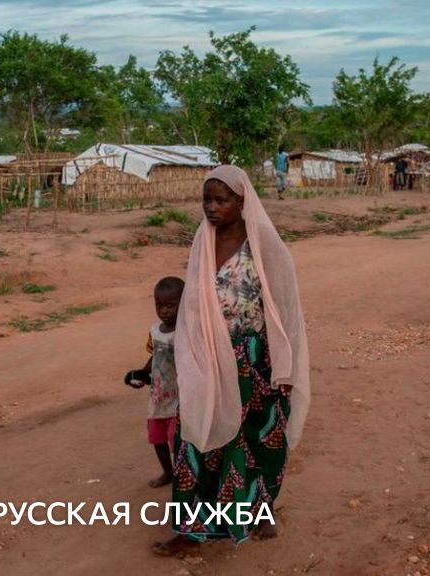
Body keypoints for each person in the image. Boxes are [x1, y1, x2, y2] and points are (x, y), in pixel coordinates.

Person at [152, 165, 310, 556]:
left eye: (220, 200)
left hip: (256, 359)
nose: (211, 207)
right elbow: (192, 306)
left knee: (260, 440)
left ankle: (260, 511)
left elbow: (286, 309)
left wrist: (285, 366)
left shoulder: (265, 245)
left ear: (242, 202)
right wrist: (186, 355)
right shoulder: (202, 242)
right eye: (206, 200)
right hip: (210, 356)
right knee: (196, 437)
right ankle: (191, 530)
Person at [125, 277, 185, 488]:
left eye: (170, 305)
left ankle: (183, 476)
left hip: (180, 398)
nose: (164, 311)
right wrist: (142, 373)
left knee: (176, 441)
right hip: (158, 397)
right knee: (157, 438)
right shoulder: (155, 332)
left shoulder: (185, 333)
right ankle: (168, 472)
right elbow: (156, 356)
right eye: (159, 305)